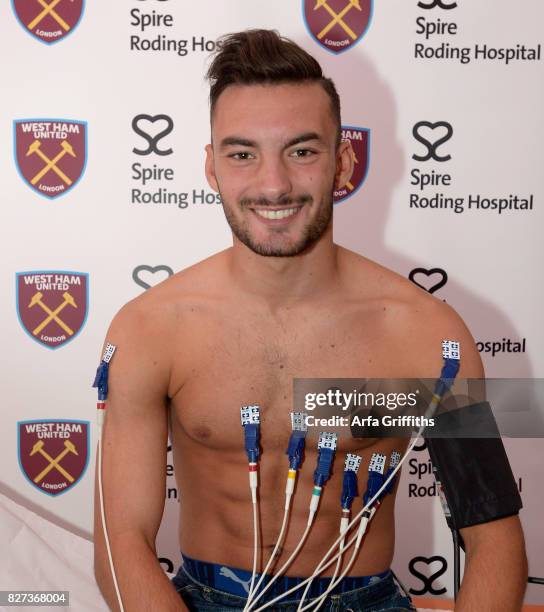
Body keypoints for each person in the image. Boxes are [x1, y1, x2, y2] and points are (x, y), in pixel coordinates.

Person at [94, 29, 527, 611]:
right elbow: (121, 540)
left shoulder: (427, 335)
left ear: (343, 163)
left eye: (301, 151)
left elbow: (492, 534)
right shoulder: (150, 328)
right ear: (212, 167)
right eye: (243, 154)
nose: (273, 185)